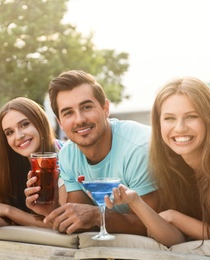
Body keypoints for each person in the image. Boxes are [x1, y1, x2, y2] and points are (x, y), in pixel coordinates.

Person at [107, 76, 210, 246]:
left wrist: (175, 218)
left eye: (191, 116)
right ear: (158, 124)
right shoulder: (168, 162)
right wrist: (135, 201)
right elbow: (176, 241)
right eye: (169, 118)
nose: (179, 128)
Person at [25, 70, 157, 235]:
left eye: (86, 107)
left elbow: (151, 226)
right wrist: (50, 209)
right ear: (60, 122)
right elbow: (79, 220)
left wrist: (97, 216)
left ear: (105, 108)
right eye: (68, 113)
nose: (79, 119)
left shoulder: (137, 149)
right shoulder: (68, 155)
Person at [0, 97, 66, 229]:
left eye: (24, 124)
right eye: (9, 132)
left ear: (40, 121)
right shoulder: (12, 166)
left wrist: (7, 210)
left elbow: (60, 223)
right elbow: (7, 223)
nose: (18, 136)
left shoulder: (64, 158)